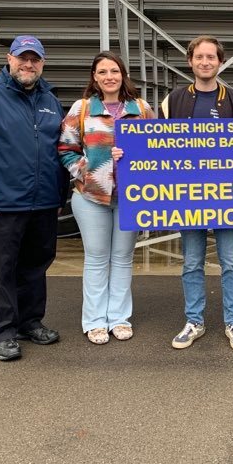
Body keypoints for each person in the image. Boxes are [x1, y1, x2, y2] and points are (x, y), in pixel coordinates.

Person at [0, 35, 68, 362]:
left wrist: (60, 193)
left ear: (42, 63)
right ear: (10, 59)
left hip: (44, 201)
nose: (28, 64)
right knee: (1, 269)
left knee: (36, 264)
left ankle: (30, 321)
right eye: (22, 58)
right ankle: (3, 332)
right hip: (1, 204)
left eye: (34, 59)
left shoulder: (50, 98)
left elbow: (57, 149)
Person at [161, 35, 233, 351]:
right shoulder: (173, 100)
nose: (205, 62)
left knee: (231, 262)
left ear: (220, 61)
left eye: (211, 57)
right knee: (191, 263)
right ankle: (194, 321)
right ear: (190, 62)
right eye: (199, 57)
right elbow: (153, 147)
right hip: (188, 196)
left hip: (228, 194)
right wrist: (127, 156)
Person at [58, 51, 155, 345]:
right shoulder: (83, 108)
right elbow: (66, 149)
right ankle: (95, 321)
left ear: (123, 75)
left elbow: (157, 147)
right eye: (102, 72)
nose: (109, 77)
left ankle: (120, 318)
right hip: (91, 197)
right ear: (94, 77)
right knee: (97, 259)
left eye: (114, 71)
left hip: (130, 197)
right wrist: (87, 172)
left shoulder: (141, 108)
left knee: (123, 259)